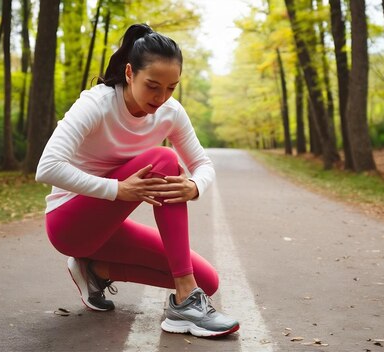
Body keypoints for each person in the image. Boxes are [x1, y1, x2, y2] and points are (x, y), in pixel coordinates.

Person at [35, 23, 239, 338]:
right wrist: (117, 190)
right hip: (69, 224)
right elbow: (47, 167)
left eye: (172, 87)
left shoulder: (170, 112)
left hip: (108, 229)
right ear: (130, 73)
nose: (162, 97)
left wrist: (195, 186)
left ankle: (94, 271)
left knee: (208, 281)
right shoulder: (97, 104)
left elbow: (202, 163)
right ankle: (186, 299)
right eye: (153, 85)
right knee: (166, 159)